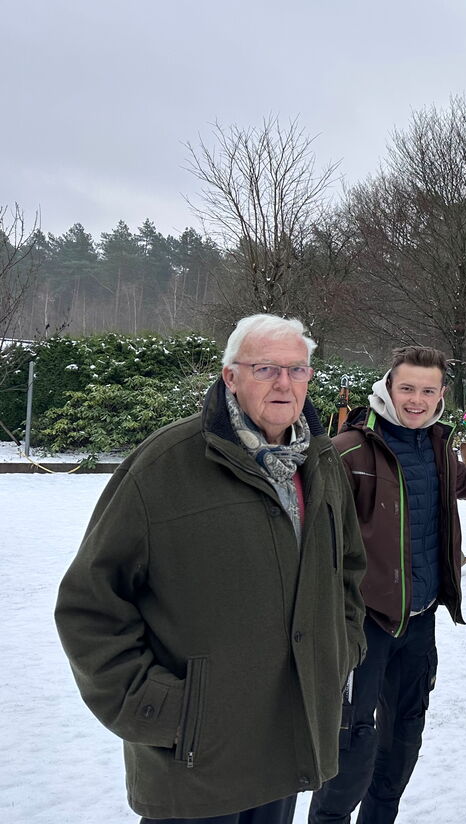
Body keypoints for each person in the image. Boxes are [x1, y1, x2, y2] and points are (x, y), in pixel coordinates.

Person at [54, 314, 367, 824]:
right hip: (198, 760)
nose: (284, 383)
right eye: (265, 368)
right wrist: (160, 707)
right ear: (230, 377)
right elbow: (89, 604)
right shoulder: (163, 466)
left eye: (297, 369)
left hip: (290, 741)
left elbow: (348, 568)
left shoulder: (322, 460)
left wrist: (342, 649)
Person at [308, 345, 466, 824]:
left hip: (419, 622)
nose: (416, 400)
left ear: (442, 394)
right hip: (364, 627)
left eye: (427, 390)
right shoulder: (348, 452)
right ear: (387, 387)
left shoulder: (438, 447)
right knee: (352, 746)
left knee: (402, 742)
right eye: (407, 388)